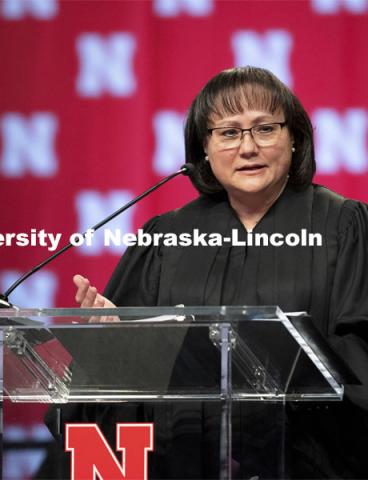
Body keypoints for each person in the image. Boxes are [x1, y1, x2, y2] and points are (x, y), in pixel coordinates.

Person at [38, 66, 368, 479]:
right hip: (185, 464)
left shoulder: (342, 226)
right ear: (204, 151)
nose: (248, 148)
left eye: (265, 129)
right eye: (228, 133)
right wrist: (114, 345)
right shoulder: (168, 237)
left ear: (296, 139)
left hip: (306, 464)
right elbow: (102, 403)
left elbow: (361, 357)